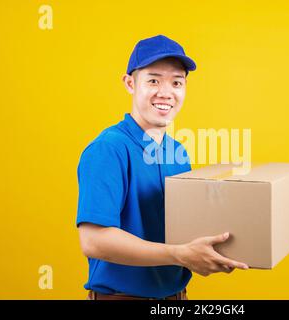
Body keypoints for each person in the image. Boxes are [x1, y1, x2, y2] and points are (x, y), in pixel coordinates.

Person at [76, 34, 249, 300]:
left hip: (176, 296)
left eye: (176, 82)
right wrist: (179, 254)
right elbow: (94, 241)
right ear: (130, 83)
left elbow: (184, 227)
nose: (165, 93)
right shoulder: (108, 149)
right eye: (153, 80)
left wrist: (219, 245)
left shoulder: (178, 152)